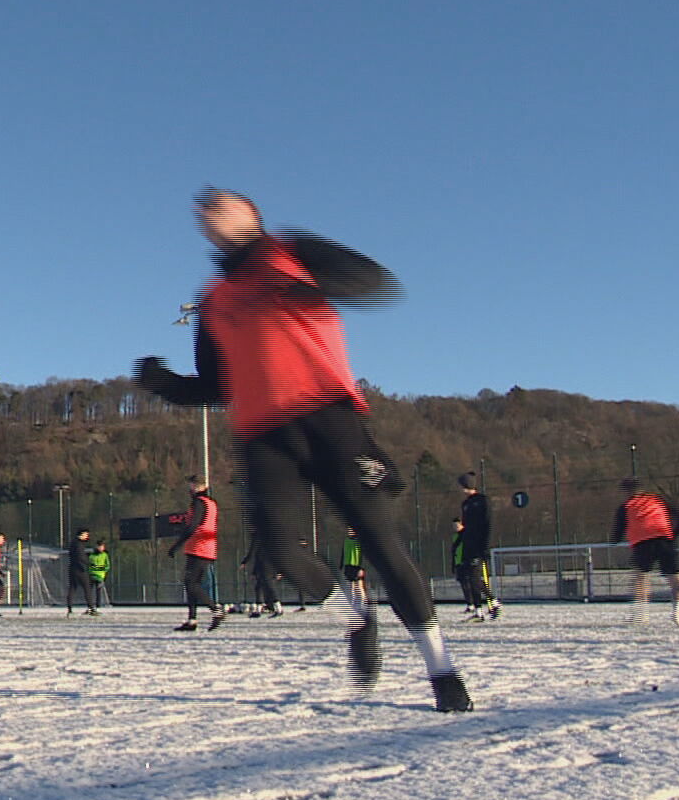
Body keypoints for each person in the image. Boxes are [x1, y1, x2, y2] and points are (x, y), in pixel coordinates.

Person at [134, 187, 472, 711]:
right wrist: (165, 383)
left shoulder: (291, 253)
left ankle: (442, 671)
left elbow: (374, 282)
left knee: (380, 543)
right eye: (205, 210)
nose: (211, 213)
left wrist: (308, 280)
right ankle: (355, 615)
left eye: (224, 204)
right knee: (280, 550)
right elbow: (218, 385)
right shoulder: (214, 301)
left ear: (252, 214)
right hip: (263, 435)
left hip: (327, 417)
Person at [613, 478, 679, 629]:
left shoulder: (626, 506)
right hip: (664, 541)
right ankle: (678, 613)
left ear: (626, 492)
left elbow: (617, 532)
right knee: (675, 579)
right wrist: (673, 533)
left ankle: (640, 615)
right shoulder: (657, 501)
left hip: (643, 543)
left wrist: (615, 541)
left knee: (641, 578)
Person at [172, 477, 225, 631]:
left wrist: (176, 545)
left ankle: (216, 609)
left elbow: (193, 526)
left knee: (191, 584)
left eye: (192, 486)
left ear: (199, 487)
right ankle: (192, 620)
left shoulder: (199, 503)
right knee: (192, 585)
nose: (190, 489)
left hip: (198, 548)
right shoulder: (212, 503)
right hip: (208, 547)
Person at [458, 473, 498, 620]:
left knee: (474, 577)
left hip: (478, 546)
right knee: (469, 576)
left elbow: (487, 524)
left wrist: (485, 546)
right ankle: (488, 604)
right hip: (468, 545)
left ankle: (482, 609)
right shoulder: (466, 504)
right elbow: (466, 526)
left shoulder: (483, 501)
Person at [242, 540, 282, 618]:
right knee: (259, 588)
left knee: (269, 588)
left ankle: (278, 608)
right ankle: (259, 610)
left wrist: (278, 571)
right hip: (263, 568)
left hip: (267, 569)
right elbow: (257, 559)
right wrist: (254, 572)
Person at [67, 528, 99, 616]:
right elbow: (81, 557)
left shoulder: (73, 543)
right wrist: (90, 563)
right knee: (87, 588)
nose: (87, 536)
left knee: (72, 588)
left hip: (72, 569)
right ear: (81, 535)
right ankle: (91, 608)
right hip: (80, 570)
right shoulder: (79, 544)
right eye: (86, 534)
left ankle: (70, 609)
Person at [450, 519, 479, 615]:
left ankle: (488, 602)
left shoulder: (466, 535)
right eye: (454, 526)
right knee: (464, 585)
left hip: (467, 562)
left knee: (474, 584)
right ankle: (470, 604)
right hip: (459, 564)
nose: (455, 527)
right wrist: (454, 564)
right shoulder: (455, 536)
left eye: (457, 525)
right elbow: (454, 552)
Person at [340, 526, 367, 607]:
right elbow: (343, 554)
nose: (350, 531)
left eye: (351, 530)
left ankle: (363, 604)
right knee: (350, 587)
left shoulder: (360, 541)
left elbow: (364, 555)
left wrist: (362, 568)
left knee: (359, 586)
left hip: (357, 566)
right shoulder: (346, 540)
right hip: (348, 566)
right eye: (349, 530)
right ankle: (353, 605)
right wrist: (341, 566)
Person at [89, 539, 112, 609]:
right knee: (89, 590)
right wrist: (96, 568)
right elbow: (90, 566)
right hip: (92, 575)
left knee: (98, 591)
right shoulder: (92, 555)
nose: (101, 548)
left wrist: (99, 568)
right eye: (100, 546)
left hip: (100, 576)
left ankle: (98, 605)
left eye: (102, 546)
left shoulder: (105, 555)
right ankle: (90, 604)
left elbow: (107, 566)